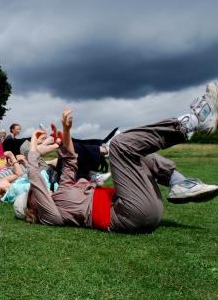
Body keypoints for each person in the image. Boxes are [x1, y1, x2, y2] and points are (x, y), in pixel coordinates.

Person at [20, 83, 218, 232]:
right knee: (118, 146)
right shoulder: (51, 215)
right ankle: (193, 121)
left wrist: (66, 130)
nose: (38, 192)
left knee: (136, 152)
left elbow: (70, 159)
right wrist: (34, 147)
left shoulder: (62, 190)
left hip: (138, 203)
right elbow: (35, 178)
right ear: (32, 208)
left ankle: (180, 182)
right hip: (131, 215)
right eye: (33, 196)